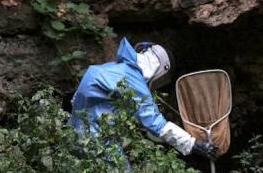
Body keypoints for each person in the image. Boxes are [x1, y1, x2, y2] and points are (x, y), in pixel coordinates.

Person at [70, 37, 217, 159]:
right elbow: (155, 123)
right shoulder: (134, 80)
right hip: (96, 138)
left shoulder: (114, 68)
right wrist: (193, 144)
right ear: (161, 70)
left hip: (72, 133)